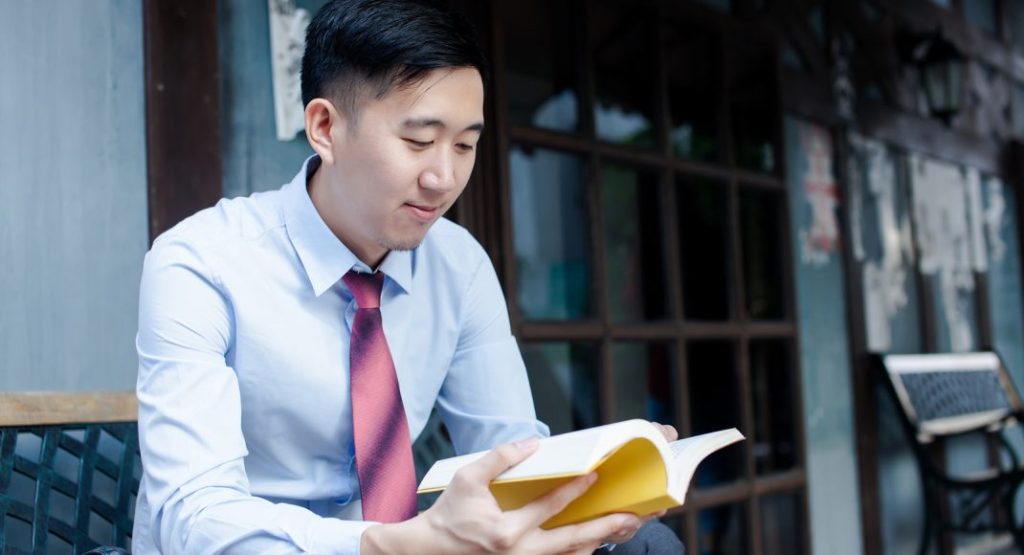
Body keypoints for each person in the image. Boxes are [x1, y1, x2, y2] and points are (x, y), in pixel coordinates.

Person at [132, 0, 685, 553]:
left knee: (646, 544)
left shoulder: (458, 264)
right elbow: (195, 519)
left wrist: (599, 483)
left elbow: (509, 453)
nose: (444, 177)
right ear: (325, 127)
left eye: (465, 145)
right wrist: (399, 545)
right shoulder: (200, 263)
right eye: (419, 141)